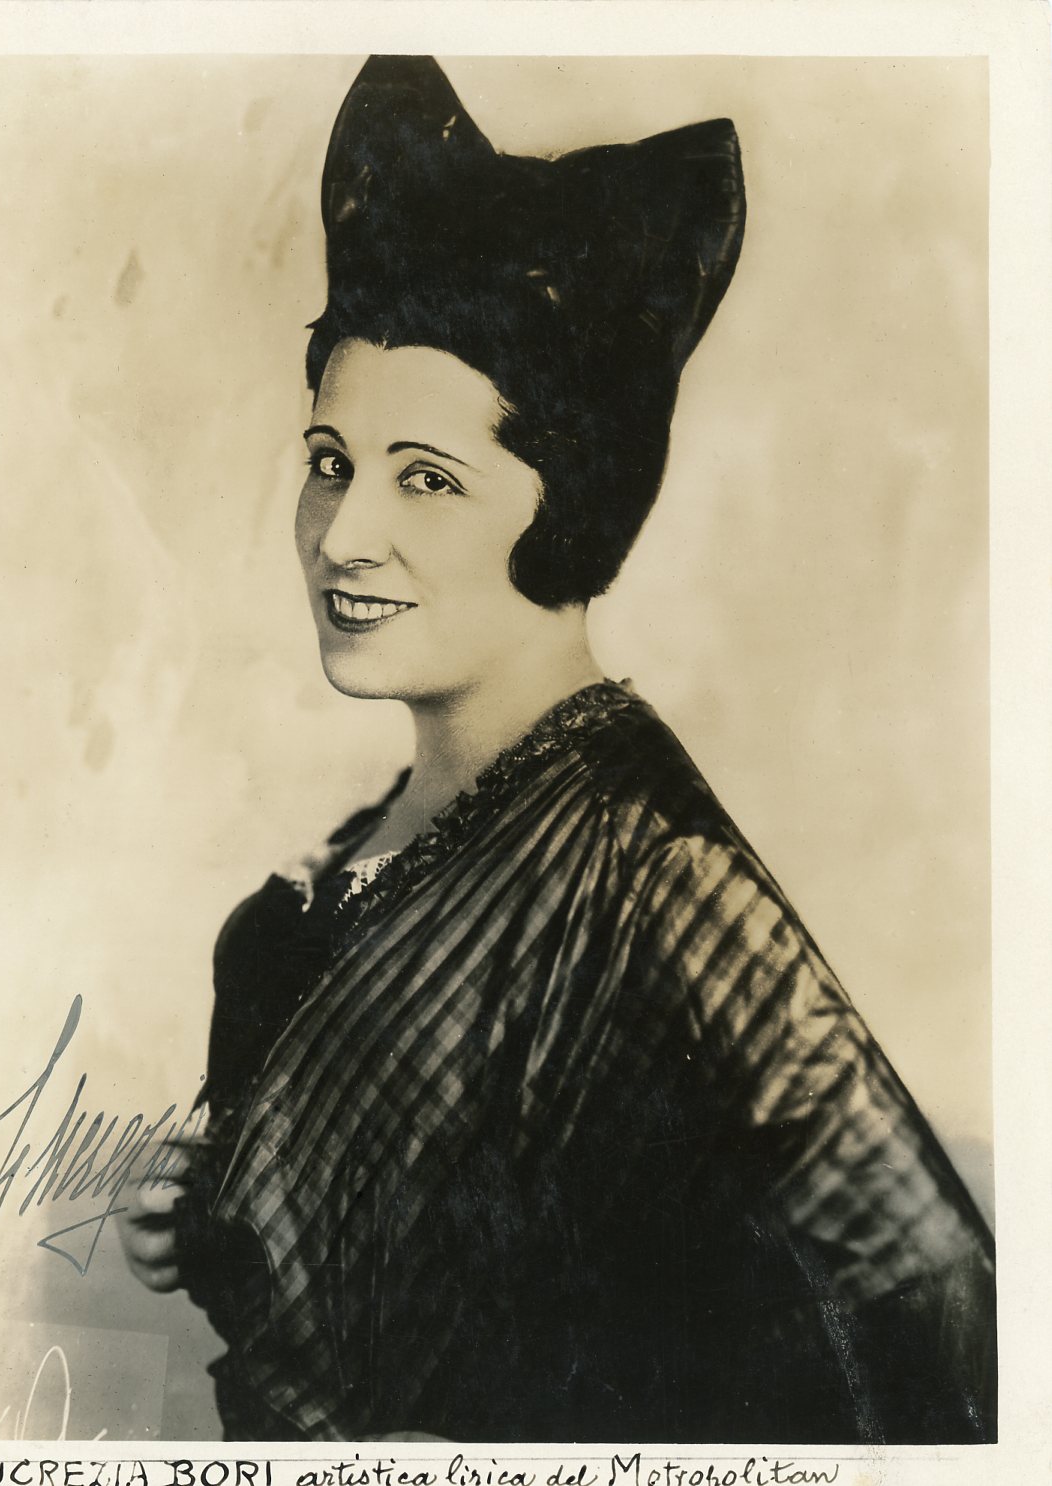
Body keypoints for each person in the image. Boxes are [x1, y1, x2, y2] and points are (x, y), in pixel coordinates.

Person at [118, 55, 996, 1445]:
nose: (343, 535)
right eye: (331, 461)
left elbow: (939, 1319)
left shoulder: (657, 879)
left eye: (427, 478)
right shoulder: (304, 909)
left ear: (572, 501)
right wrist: (196, 1222)